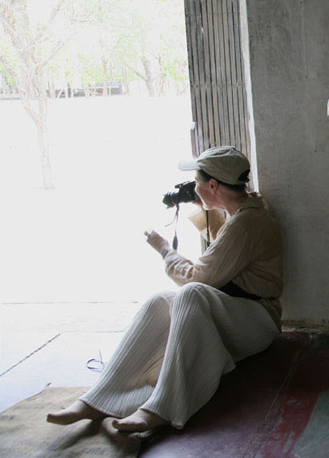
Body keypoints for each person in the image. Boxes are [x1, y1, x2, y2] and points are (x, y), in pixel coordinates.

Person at [46, 146, 283, 433]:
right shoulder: (244, 212)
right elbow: (227, 252)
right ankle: (99, 399)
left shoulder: (246, 222)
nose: (193, 189)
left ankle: (163, 407)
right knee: (159, 301)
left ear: (213, 185)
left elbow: (197, 277)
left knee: (191, 293)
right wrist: (205, 211)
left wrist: (164, 250)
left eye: (197, 182)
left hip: (259, 320)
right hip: (239, 312)